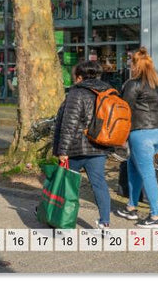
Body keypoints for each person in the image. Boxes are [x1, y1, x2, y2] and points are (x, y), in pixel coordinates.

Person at [51, 62, 114, 229]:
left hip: (76, 148)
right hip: (99, 146)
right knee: (99, 184)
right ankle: (105, 222)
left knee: (68, 185)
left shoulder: (77, 93)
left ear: (79, 77)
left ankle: (64, 221)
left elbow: (69, 124)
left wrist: (62, 150)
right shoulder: (109, 91)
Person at [114, 47, 158, 228]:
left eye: (131, 63)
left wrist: (120, 136)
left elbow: (125, 110)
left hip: (141, 132)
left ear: (135, 65)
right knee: (133, 166)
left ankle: (156, 216)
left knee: (147, 172)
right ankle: (131, 206)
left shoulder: (133, 84)